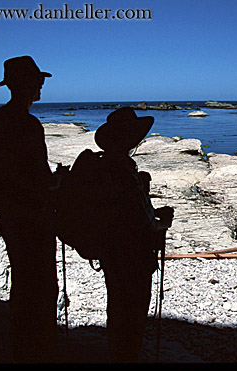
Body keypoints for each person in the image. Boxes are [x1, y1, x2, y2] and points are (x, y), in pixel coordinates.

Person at [0, 56, 59, 362]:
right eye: (38, 80)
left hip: (9, 214)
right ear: (27, 85)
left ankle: (22, 342)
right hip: (32, 216)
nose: (42, 84)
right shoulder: (28, 124)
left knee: (22, 278)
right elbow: (38, 177)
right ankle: (38, 346)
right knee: (41, 283)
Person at [94, 107, 174, 362]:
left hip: (110, 251)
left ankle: (116, 352)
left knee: (116, 305)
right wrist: (164, 221)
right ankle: (127, 355)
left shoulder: (103, 165)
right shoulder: (125, 169)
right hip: (133, 256)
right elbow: (145, 222)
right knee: (134, 310)